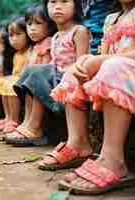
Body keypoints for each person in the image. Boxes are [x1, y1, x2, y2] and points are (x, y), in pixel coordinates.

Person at [48, 0, 135, 194]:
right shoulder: (112, 19)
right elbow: (104, 57)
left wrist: (100, 61)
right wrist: (87, 64)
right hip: (120, 75)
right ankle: (78, 143)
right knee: (75, 69)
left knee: (113, 67)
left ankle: (113, 160)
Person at [10, 0, 90, 146]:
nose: (57, 7)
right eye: (52, 2)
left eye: (65, 1)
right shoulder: (56, 36)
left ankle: (35, 127)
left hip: (68, 83)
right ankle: (27, 122)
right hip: (55, 80)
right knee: (31, 70)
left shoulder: (79, 31)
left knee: (38, 72)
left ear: (77, 5)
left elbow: (81, 64)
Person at [4, 4, 57, 145]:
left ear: (50, 25)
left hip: (46, 85)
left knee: (33, 76)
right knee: (28, 80)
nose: (32, 28)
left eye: (38, 23)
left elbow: (46, 69)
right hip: (34, 88)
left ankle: (34, 126)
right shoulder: (36, 46)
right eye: (29, 24)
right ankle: (26, 122)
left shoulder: (48, 43)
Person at [0, 17, 31, 134]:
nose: (14, 39)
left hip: (24, 82)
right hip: (17, 80)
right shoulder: (16, 54)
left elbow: (25, 73)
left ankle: (14, 120)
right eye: (11, 35)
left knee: (11, 83)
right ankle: (8, 117)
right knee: (2, 81)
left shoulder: (30, 51)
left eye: (18, 34)